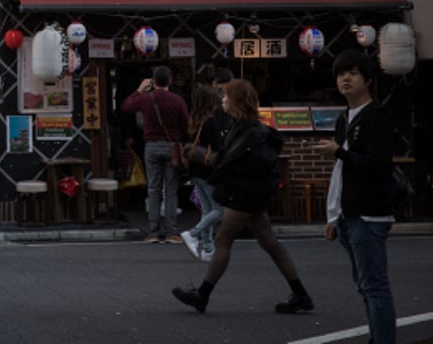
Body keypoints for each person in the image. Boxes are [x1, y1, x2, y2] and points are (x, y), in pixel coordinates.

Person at [172, 79, 313, 315]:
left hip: (245, 194)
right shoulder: (244, 127)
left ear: (236, 101)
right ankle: (301, 293)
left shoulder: (248, 131)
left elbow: (232, 163)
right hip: (252, 194)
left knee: (224, 239)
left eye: (226, 96)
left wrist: (203, 157)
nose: (223, 100)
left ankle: (202, 295)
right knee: (269, 243)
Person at [314, 49, 397, 344]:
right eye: (340, 74)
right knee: (365, 286)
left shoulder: (377, 117)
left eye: (353, 73)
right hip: (349, 215)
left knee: (374, 287)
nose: (345, 78)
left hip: (369, 214)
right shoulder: (345, 118)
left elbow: (377, 166)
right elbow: (341, 171)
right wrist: (333, 216)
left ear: (368, 80)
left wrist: (339, 151)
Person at [121, 65, 190, 243]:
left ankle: (153, 232)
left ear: (153, 81)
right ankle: (171, 232)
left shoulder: (145, 99)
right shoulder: (178, 100)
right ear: (170, 80)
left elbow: (126, 107)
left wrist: (139, 90)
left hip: (151, 146)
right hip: (172, 146)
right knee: (171, 190)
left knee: (153, 189)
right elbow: (185, 127)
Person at [180, 83, 226, 262]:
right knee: (219, 210)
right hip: (208, 170)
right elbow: (216, 147)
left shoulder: (193, 119)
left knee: (207, 210)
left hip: (195, 169)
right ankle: (193, 234)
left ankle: (208, 248)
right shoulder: (211, 121)